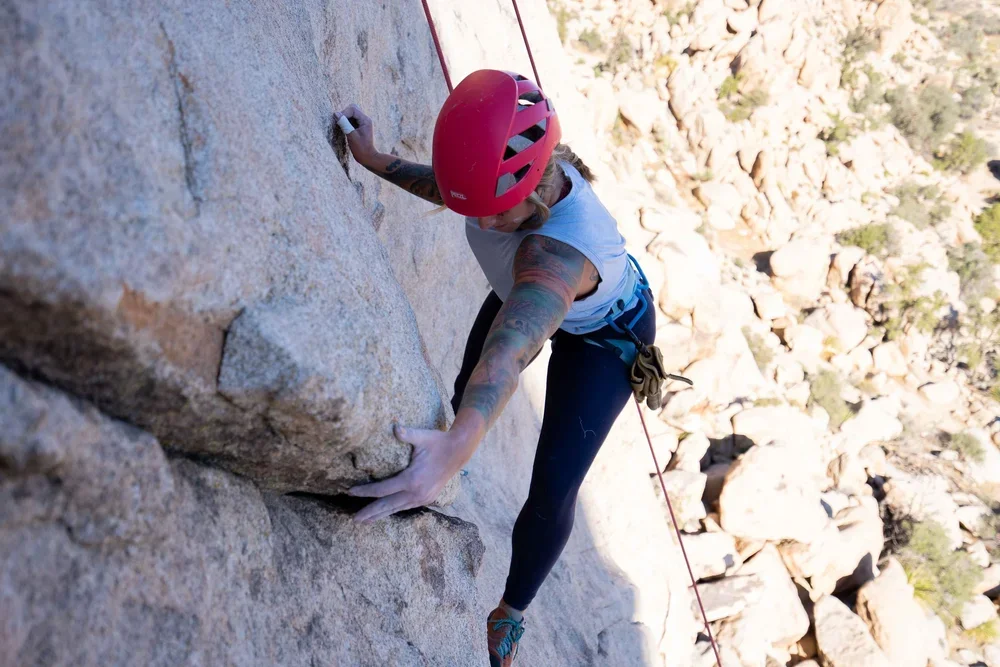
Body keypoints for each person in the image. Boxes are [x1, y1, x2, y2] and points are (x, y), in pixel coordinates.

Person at [336, 69, 656, 667]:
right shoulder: (502, 185)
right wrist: (374, 158)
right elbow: (459, 188)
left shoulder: (555, 254)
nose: (482, 223)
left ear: (536, 191)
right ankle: (441, 460)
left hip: (607, 337)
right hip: (522, 287)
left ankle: (510, 613)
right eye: (476, 207)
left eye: (498, 212)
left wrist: (461, 446)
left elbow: (509, 353)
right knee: (465, 397)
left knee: (553, 487)